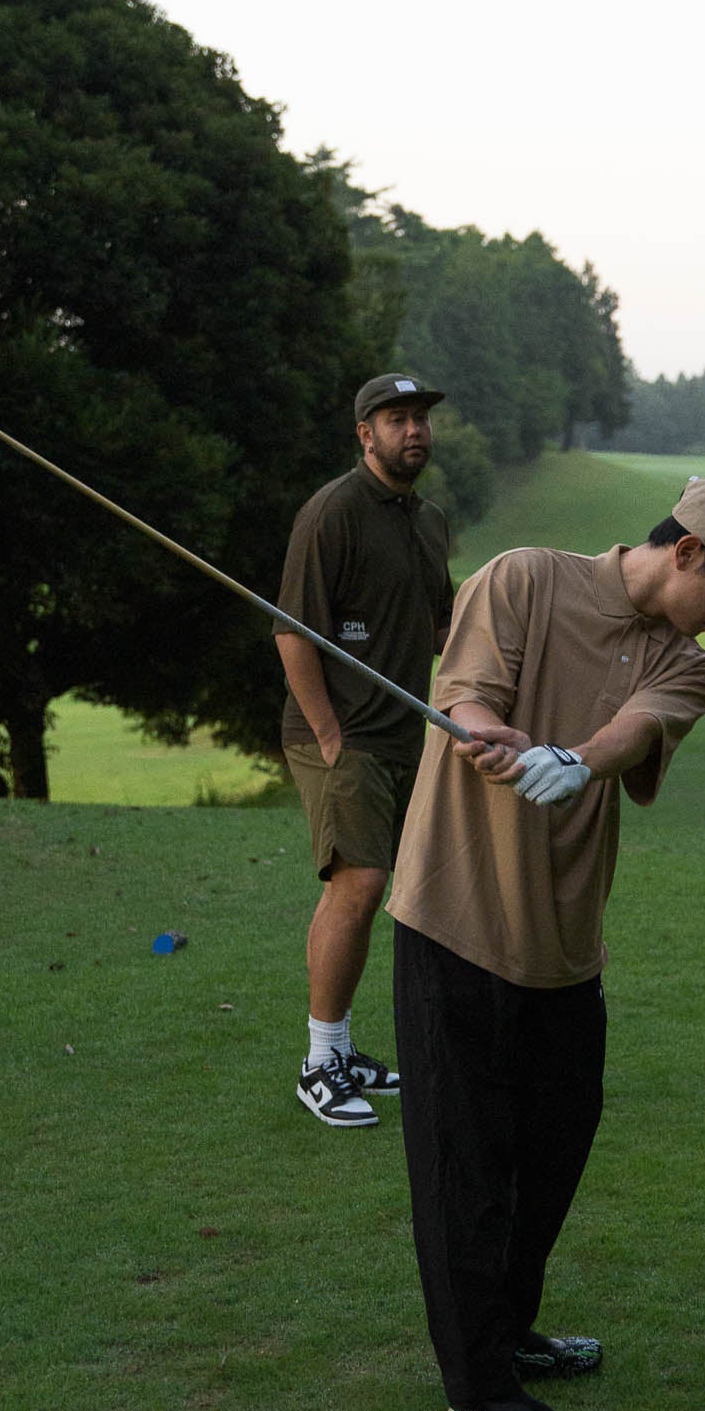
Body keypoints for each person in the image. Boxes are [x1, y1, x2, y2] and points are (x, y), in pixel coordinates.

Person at [386, 476, 705, 1411]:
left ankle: (507, 1327)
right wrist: (486, 730)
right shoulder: (522, 579)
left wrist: (572, 758)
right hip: (455, 916)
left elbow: (635, 730)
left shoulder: (687, 663)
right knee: (466, 1166)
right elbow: (469, 690)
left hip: (564, 945)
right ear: (687, 552)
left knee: (553, 1148)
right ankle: (478, 1401)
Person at [274, 371, 455, 1131]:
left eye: (420, 419)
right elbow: (293, 634)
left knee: (393, 889)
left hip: (406, 735)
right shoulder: (333, 512)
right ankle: (320, 1065)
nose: (413, 430)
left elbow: (441, 629)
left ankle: (344, 1051)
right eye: (396, 418)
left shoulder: (429, 520)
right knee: (360, 883)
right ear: (365, 433)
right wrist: (329, 735)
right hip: (340, 735)